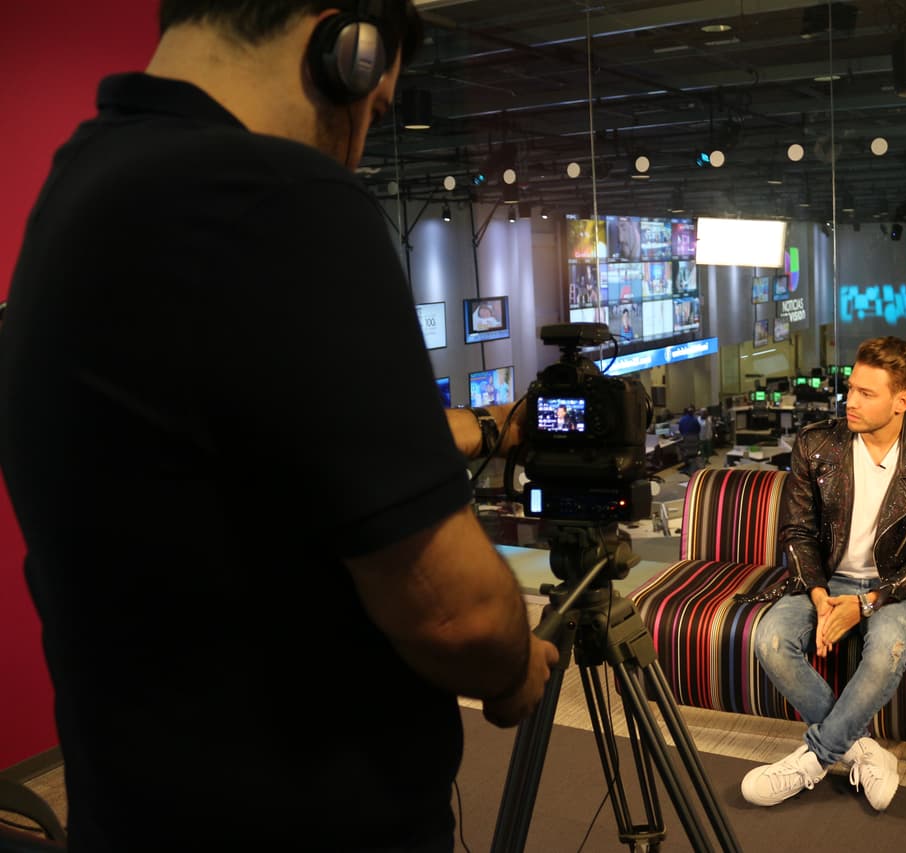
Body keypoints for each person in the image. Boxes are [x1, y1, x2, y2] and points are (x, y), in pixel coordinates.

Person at [0, 3, 557, 850]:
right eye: (375, 105)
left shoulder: (79, 184)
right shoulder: (280, 198)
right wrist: (519, 663)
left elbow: (263, 436)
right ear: (345, 51)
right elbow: (460, 618)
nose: (364, 139)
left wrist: (483, 427)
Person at [739, 336, 906, 812]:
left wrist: (867, 603)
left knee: (886, 649)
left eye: (867, 393)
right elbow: (797, 532)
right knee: (770, 641)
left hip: (905, 589)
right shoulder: (817, 444)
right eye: (851, 388)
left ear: (902, 401)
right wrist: (822, 598)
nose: (851, 401)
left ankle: (813, 760)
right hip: (824, 581)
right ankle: (861, 748)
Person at [678, 405, 702, 474]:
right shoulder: (695, 419)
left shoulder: (682, 419)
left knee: (679, 447)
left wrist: (685, 435)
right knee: (693, 452)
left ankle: (686, 465)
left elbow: (680, 430)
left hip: (686, 440)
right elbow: (698, 429)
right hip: (694, 440)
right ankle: (693, 465)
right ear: (693, 412)